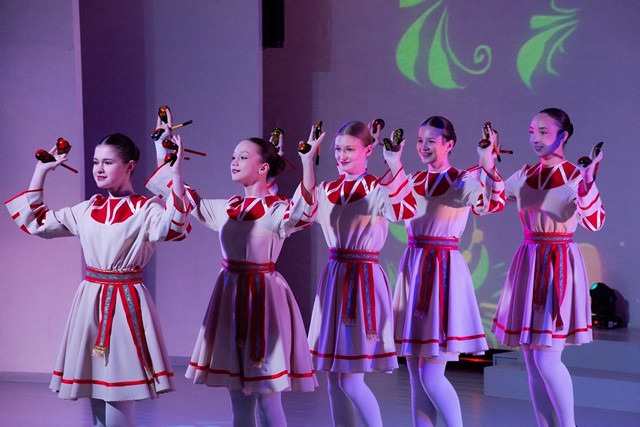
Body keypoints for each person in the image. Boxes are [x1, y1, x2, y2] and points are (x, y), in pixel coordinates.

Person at [146, 111, 322, 427]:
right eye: (233, 157)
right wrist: (164, 149)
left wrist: (308, 163)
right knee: (239, 400)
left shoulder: (277, 209)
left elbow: (304, 212)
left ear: (263, 168)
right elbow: (179, 197)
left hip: (264, 302)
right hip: (230, 299)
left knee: (267, 397)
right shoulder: (227, 208)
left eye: (243, 157)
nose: (234, 162)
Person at [5, 133, 190, 426]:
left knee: (118, 402)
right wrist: (41, 171)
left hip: (125, 305)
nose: (99, 169)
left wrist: (175, 174)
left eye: (108, 162)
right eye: (95, 162)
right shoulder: (89, 208)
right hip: (91, 303)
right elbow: (38, 223)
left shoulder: (146, 208)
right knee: (98, 409)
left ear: (130, 166)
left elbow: (174, 227)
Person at [491, 108, 605, 427]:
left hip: (558, 264)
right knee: (531, 360)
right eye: (532, 131)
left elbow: (596, 221)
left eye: (543, 132)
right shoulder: (525, 174)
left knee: (546, 357)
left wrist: (587, 183)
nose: (535, 138)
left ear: (563, 136)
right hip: (529, 261)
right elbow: (489, 203)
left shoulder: (574, 175)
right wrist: (487, 161)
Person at [392, 116, 505, 427]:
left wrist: (487, 162)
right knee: (416, 375)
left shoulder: (462, 180)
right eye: (420, 140)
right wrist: (393, 162)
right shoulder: (412, 180)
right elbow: (390, 207)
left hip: (442, 272)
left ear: (449, 144)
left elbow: (490, 204)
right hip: (414, 268)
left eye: (431, 140)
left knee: (431, 374)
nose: (424, 146)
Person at [307, 120, 416, 427]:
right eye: (337, 149)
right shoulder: (326, 190)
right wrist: (307, 161)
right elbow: (300, 214)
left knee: (350, 379)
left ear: (368, 150)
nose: (341, 156)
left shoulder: (377, 189)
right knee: (334, 378)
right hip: (334, 280)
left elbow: (404, 211)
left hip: (363, 280)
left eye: (349, 150)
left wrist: (395, 164)